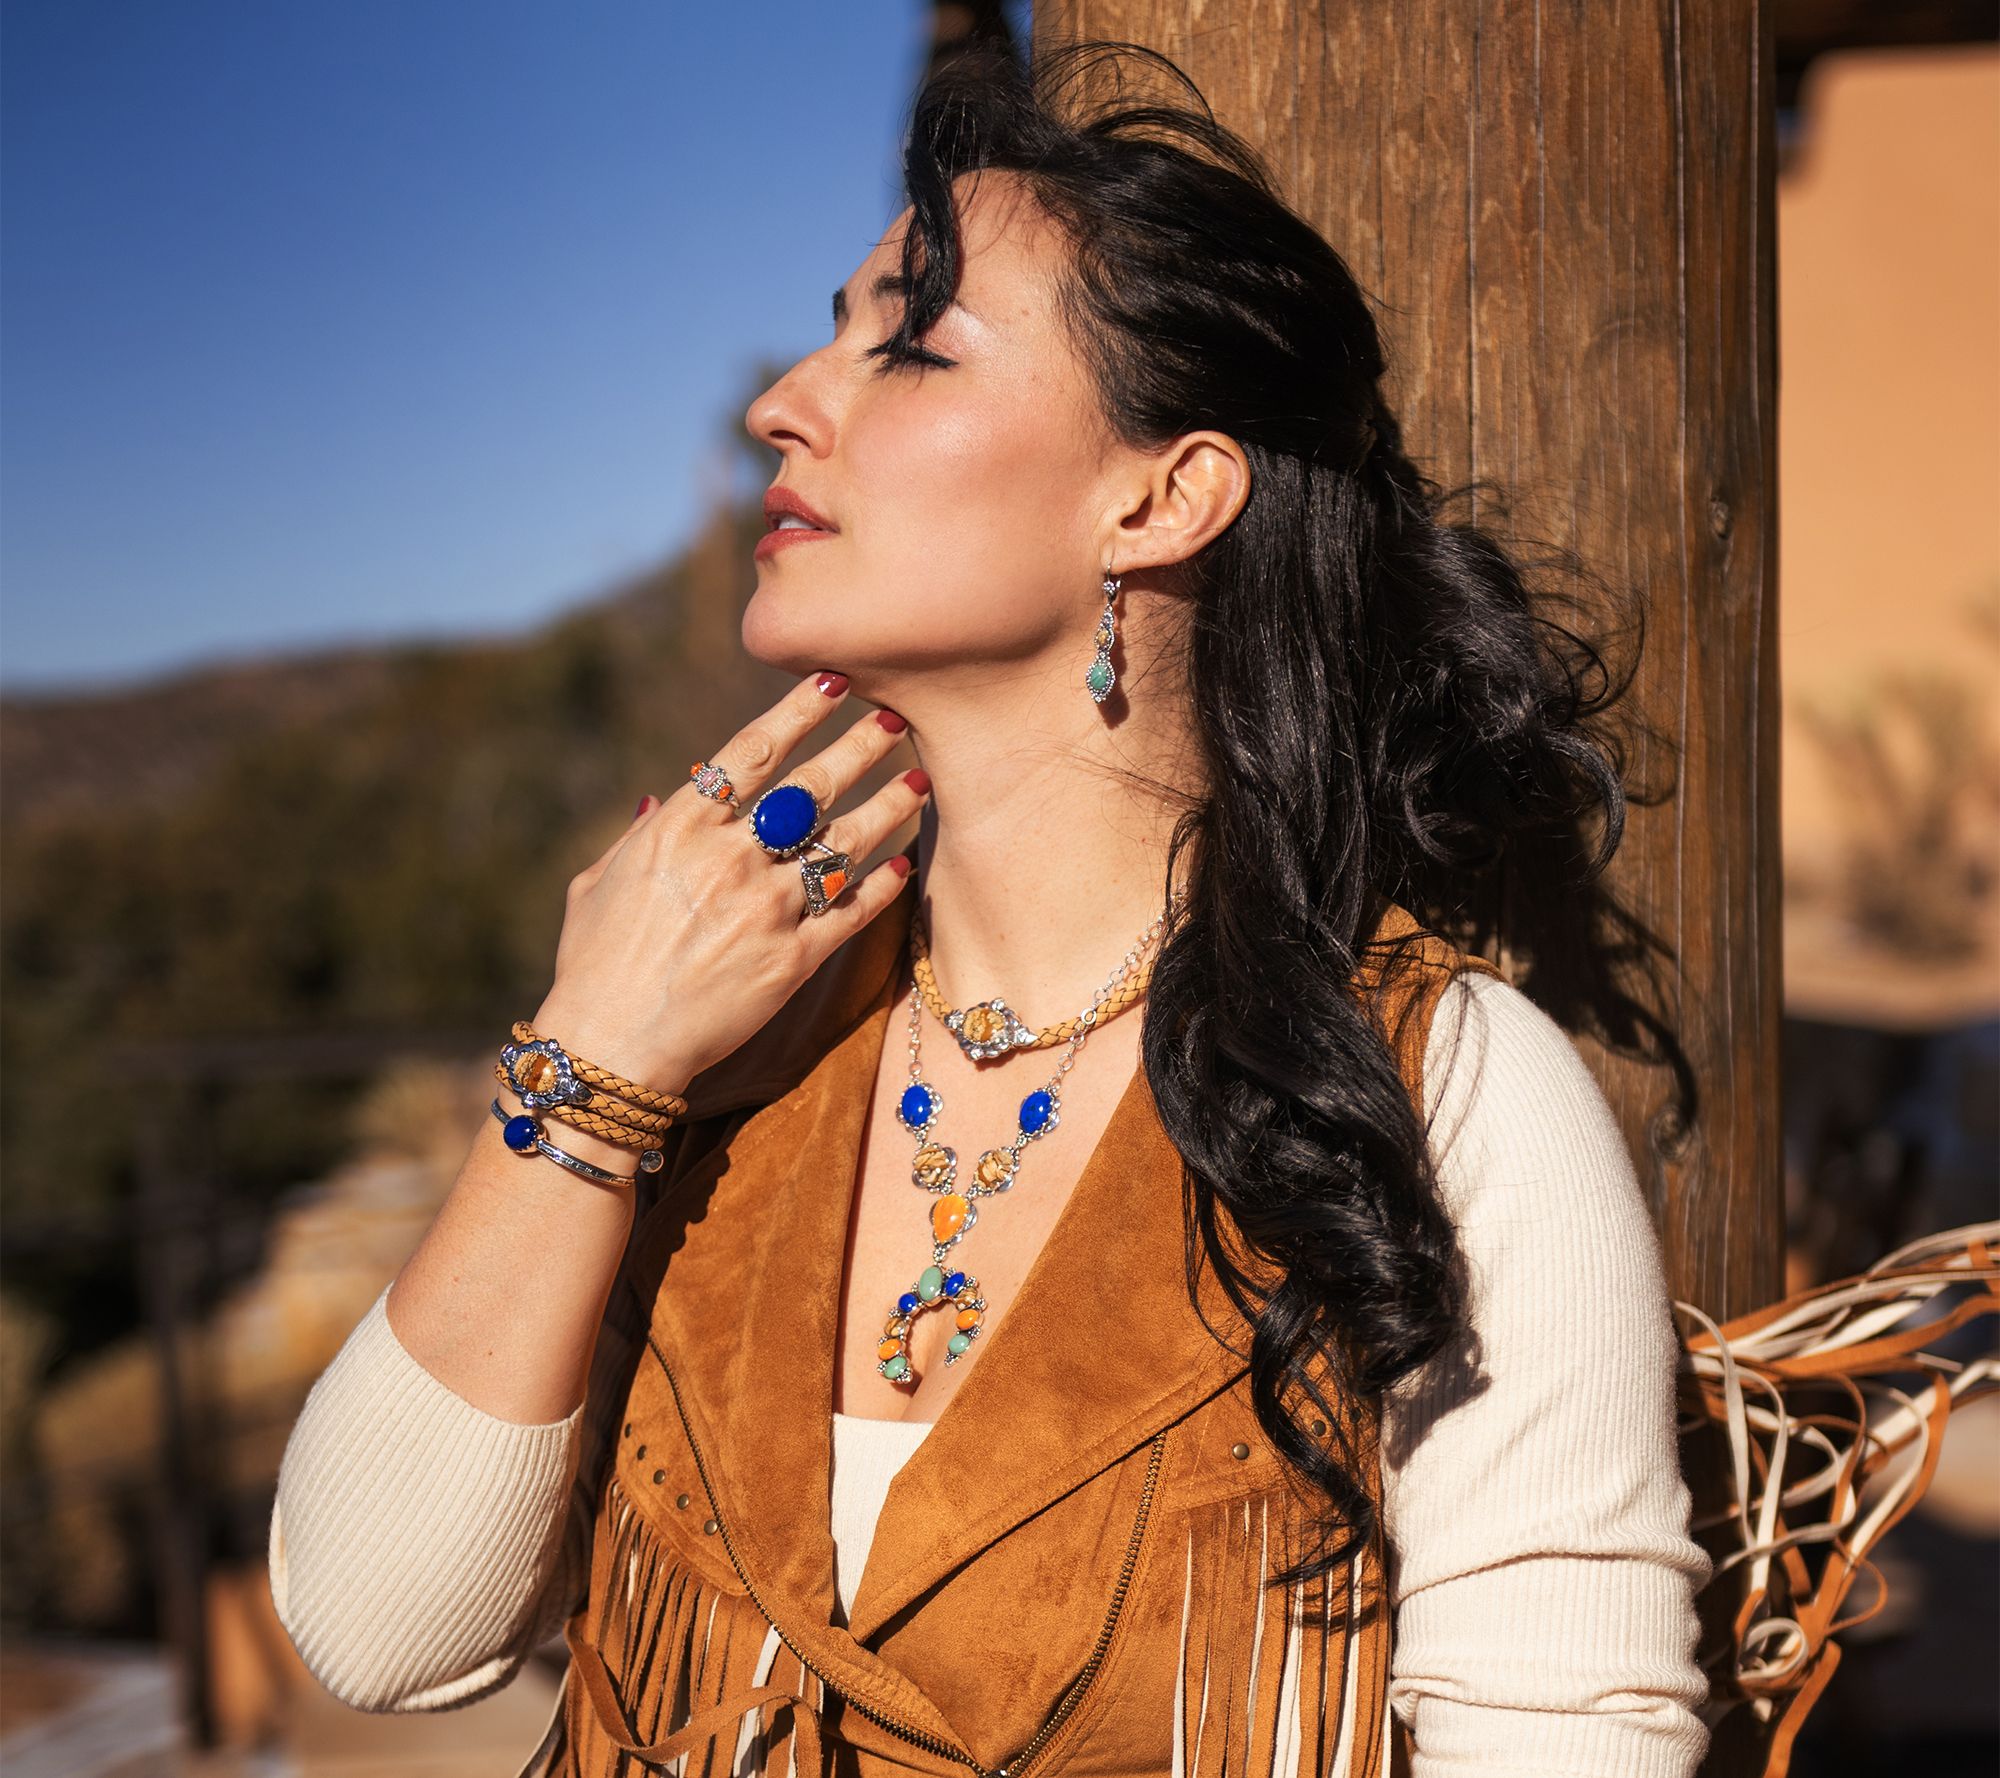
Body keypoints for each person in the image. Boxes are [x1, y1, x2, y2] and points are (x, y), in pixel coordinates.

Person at [269, 38, 1713, 1778]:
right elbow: (380, 1627)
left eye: (912, 344)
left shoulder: (1441, 1093)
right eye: (832, 333)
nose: (781, 401)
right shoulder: (717, 1028)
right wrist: (591, 1061)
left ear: (1161, 496)